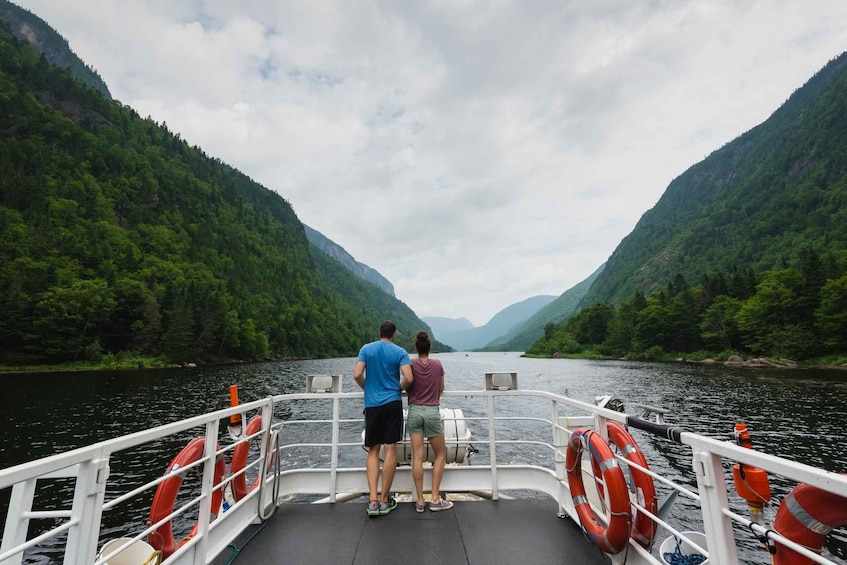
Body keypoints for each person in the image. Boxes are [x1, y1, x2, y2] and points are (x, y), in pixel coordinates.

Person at [353, 320, 413, 516]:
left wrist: (367, 388)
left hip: (372, 405)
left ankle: (372, 500)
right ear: (394, 334)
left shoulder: (366, 349)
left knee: (373, 450)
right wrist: (398, 389)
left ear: (380, 332)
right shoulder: (400, 352)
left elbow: (357, 374)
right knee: (390, 449)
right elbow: (409, 377)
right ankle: (385, 499)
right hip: (392, 403)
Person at [406, 330, 453, 512]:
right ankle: (435, 499)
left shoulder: (410, 364)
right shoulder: (438, 364)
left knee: (417, 457)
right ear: (430, 348)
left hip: (415, 411)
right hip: (432, 411)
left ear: (416, 348)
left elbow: (407, 382)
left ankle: (419, 501)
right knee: (440, 455)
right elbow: (441, 388)